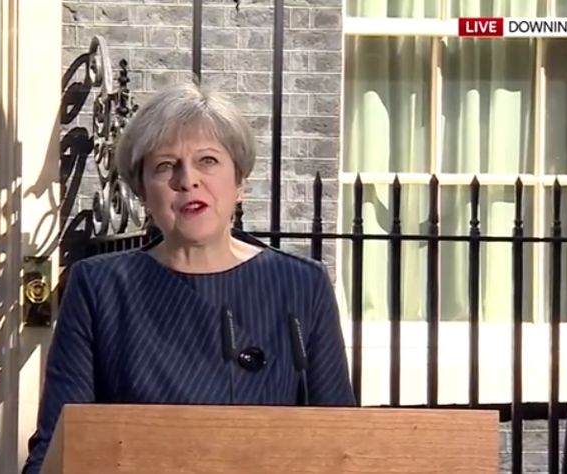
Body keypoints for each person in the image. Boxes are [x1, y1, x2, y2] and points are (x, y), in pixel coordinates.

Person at [21, 82, 355, 474]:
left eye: (208, 161)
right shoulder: (99, 288)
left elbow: (342, 441)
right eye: (165, 166)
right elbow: (59, 445)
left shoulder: (302, 286)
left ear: (240, 182)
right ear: (143, 193)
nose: (188, 180)